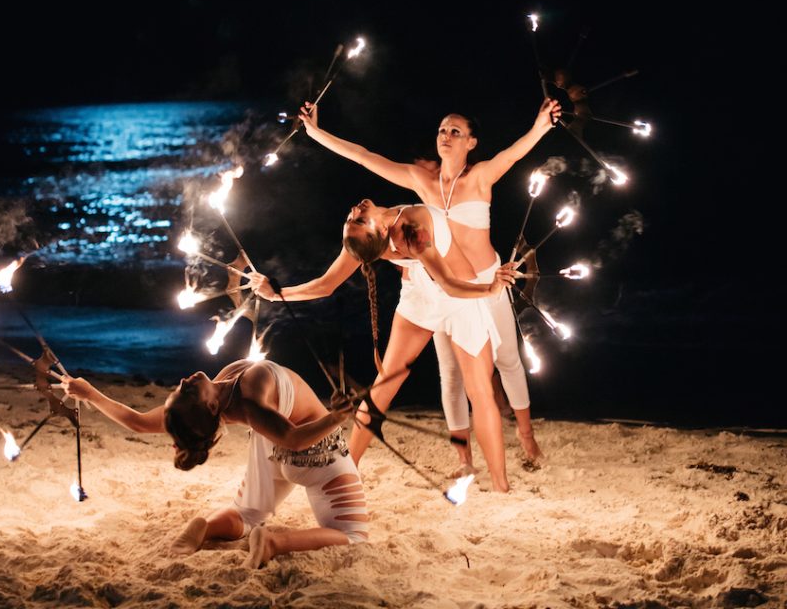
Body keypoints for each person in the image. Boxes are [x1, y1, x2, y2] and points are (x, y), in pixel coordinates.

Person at [294, 97, 561, 470]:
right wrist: (315, 132)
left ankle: (527, 439)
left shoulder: (480, 176)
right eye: (441, 130)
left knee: (508, 361)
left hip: (487, 280)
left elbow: (513, 154)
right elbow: (363, 155)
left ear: (471, 142)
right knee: (450, 375)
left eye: (456, 131)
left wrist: (541, 126)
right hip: (443, 287)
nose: (446, 136)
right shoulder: (421, 181)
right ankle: (465, 461)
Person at [251, 198, 518, 492]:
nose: (354, 212)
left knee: (474, 389)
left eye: (352, 218)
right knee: (398, 389)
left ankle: (498, 485)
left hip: (439, 292)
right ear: (378, 232)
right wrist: (489, 288)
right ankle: (347, 473)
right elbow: (447, 283)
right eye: (358, 220)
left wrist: (275, 293)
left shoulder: (365, 238)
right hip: (447, 294)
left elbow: (326, 285)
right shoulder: (410, 228)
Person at [62, 358, 368, 567]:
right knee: (354, 535)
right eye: (188, 390)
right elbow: (295, 438)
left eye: (179, 389)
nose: (183, 380)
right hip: (319, 454)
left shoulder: (223, 388)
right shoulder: (249, 392)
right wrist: (338, 416)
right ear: (210, 405)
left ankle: (206, 527)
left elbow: (140, 422)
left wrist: (89, 393)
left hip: (270, 453)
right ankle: (275, 542)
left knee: (247, 513)